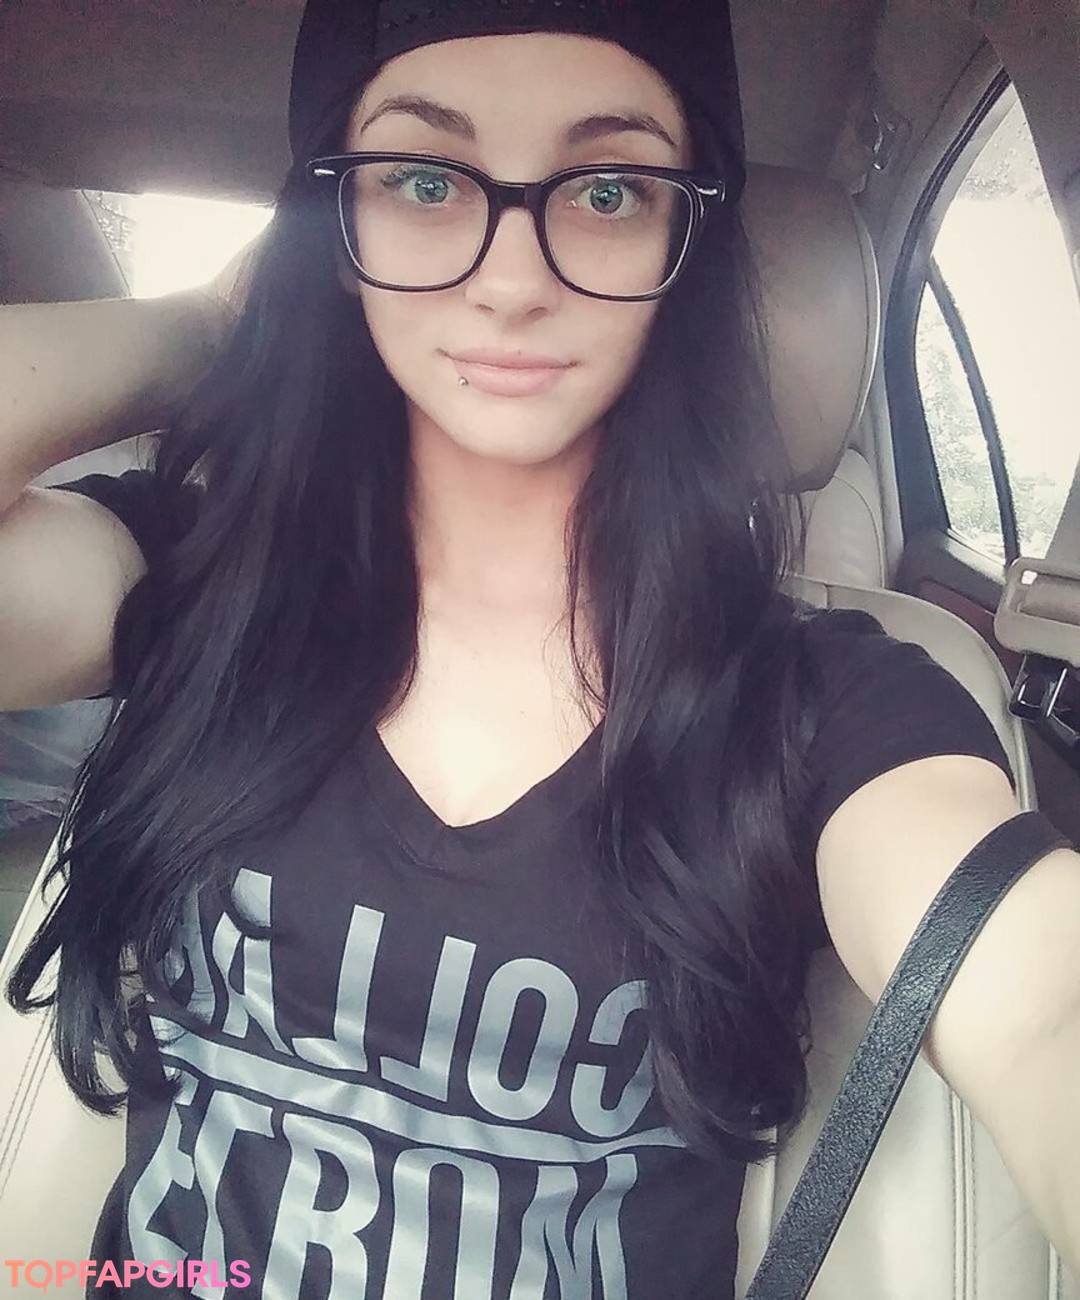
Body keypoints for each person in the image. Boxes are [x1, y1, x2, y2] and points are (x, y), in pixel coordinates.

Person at [3, 1, 1079, 1296]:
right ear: (336, 226)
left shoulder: (827, 704)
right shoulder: (193, 585)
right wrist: (209, 332)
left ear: (686, 234)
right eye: (422, 179)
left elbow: (1043, 1004)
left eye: (609, 189)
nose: (513, 281)